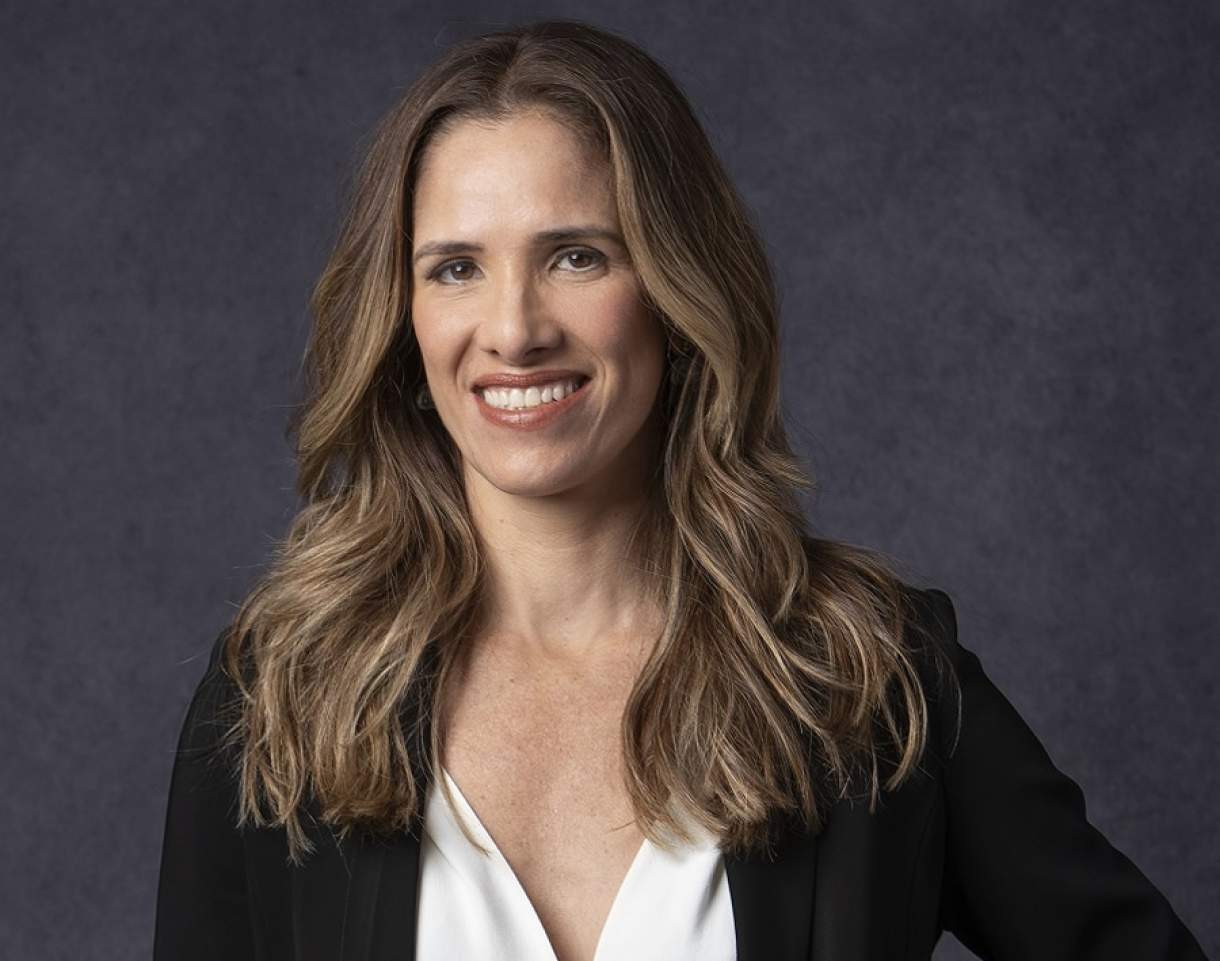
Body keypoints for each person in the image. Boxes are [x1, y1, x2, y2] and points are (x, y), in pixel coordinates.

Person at [153, 18, 1209, 961]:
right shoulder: (280, 696)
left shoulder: (865, 677)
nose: (513, 329)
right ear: (403, 319)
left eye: (576, 256)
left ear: (675, 288)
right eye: (456, 267)